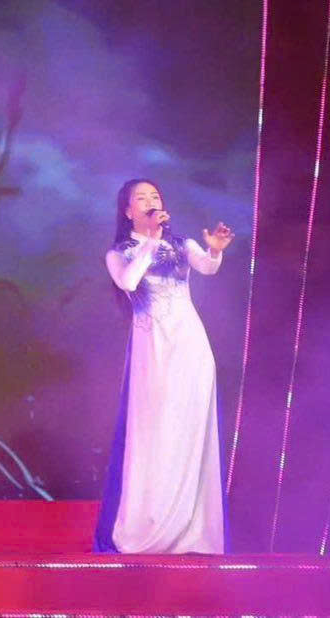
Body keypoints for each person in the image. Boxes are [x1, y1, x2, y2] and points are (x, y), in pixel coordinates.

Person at [96, 179, 236, 554]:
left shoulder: (182, 244)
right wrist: (151, 240)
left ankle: (193, 531)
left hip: (191, 344)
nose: (150, 201)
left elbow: (207, 267)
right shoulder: (119, 253)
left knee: (190, 429)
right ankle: (149, 525)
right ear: (128, 211)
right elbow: (128, 281)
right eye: (141, 198)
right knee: (155, 429)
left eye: (155, 196)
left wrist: (215, 250)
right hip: (154, 347)